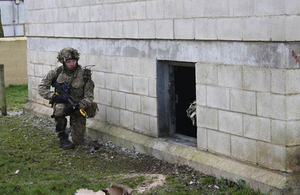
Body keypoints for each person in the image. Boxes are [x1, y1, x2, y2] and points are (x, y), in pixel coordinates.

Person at [38, 47, 95, 150]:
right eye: (68, 61)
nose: (71, 64)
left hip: (77, 106)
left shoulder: (84, 75)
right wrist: (54, 97)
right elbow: (42, 88)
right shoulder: (56, 72)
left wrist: (78, 106)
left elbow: (89, 97)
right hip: (63, 104)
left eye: (73, 61)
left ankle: (72, 131)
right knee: (59, 109)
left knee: (78, 141)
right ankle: (62, 137)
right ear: (63, 61)